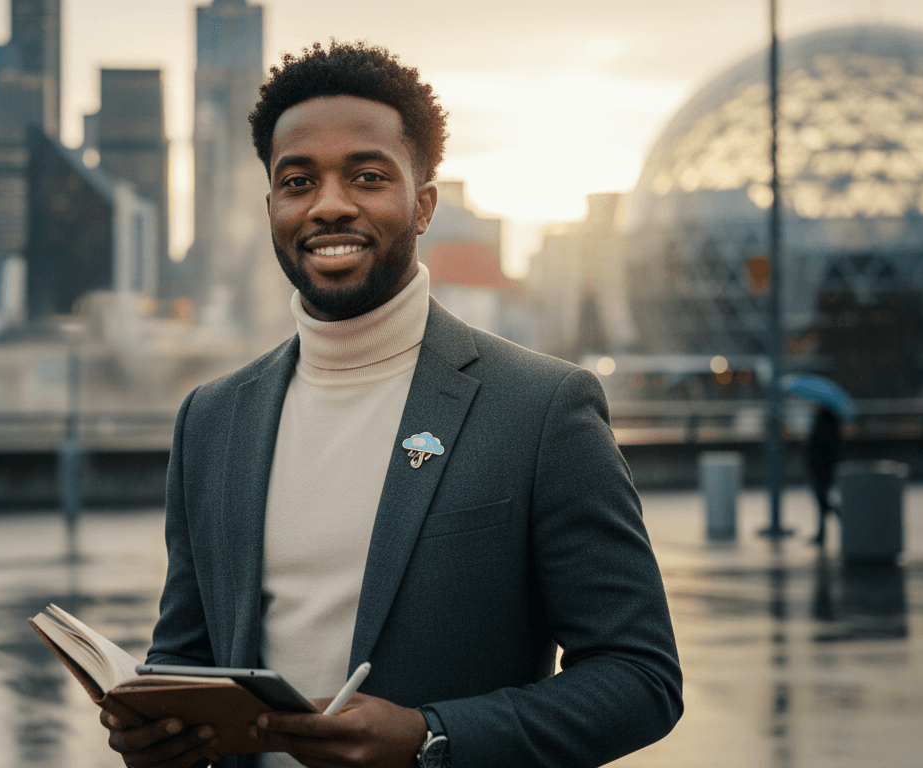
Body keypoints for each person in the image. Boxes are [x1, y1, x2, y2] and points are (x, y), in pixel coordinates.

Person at [103, 42, 682, 768]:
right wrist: (152, 727)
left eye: (368, 176)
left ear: (423, 204)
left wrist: (429, 736)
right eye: (298, 181)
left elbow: (641, 678)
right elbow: (184, 658)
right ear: (273, 208)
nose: (330, 204)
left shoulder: (541, 409)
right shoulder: (211, 420)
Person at [807, 405, 843, 545]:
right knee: (821, 499)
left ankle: (842, 516)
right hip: (824, 466)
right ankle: (821, 533)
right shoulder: (830, 422)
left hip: (821, 467)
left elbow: (820, 446)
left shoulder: (824, 422)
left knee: (821, 499)